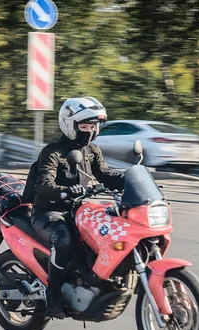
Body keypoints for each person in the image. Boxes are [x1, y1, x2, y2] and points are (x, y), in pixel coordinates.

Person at [27, 97, 125, 318]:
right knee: (64, 240)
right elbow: (44, 186)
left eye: (93, 126)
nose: (89, 131)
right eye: (84, 126)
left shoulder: (92, 151)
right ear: (69, 125)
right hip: (49, 212)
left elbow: (105, 174)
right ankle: (52, 295)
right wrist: (66, 191)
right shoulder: (53, 152)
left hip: (81, 210)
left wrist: (132, 180)